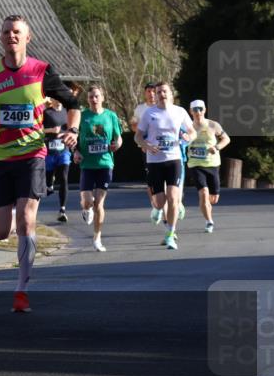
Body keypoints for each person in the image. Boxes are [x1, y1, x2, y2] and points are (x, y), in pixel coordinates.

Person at [0, 15, 80, 313]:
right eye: (6, 32)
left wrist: (72, 130)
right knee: (1, 231)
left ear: (28, 37)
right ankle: (16, 230)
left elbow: (73, 104)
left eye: (17, 32)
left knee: (27, 219)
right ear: (1, 37)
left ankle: (21, 289)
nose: (11, 36)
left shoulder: (41, 71)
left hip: (31, 155)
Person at [136, 82, 195, 250]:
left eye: (165, 91)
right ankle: (157, 209)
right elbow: (137, 137)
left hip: (173, 159)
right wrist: (147, 146)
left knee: (174, 197)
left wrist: (187, 137)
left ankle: (170, 234)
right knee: (160, 202)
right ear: (156, 94)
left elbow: (192, 132)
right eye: (159, 91)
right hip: (154, 161)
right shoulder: (149, 113)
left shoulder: (180, 111)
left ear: (171, 94)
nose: (162, 94)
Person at [73, 84, 123, 252]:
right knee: (87, 202)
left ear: (102, 97)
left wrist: (117, 145)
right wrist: (75, 152)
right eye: (90, 97)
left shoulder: (111, 116)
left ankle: (97, 238)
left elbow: (119, 137)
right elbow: (73, 138)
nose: (93, 100)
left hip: (105, 163)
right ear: (87, 100)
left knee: (99, 203)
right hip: (87, 164)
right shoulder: (82, 116)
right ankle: (86, 209)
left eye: (96, 96)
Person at [186, 99, 230, 233]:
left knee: (213, 199)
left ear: (204, 110)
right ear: (190, 111)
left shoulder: (213, 125)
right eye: (195, 109)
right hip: (195, 164)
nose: (198, 112)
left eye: (200, 109)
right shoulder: (187, 126)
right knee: (203, 193)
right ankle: (209, 221)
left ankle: (207, 208)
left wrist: (216, 147)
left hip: (212, 164)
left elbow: (226, 139)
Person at [131, 82, 164, 225]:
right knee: (150, 180)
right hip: (147, 149)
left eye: (153, 91)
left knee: (166, 181)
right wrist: (144, 143)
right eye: (148, 91)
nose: (151, 94)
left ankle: (168, 204)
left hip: (164, 149)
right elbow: (136, 128)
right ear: (145, 93)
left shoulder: (163, 107)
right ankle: (155, 206)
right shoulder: (140, 109)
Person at [42, 98, 72, 222]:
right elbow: (38, 129)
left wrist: (66, 134)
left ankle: (62, 210)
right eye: (56, 98)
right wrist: (52, 130)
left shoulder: (67, 112)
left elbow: (73, 129)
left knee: (64, 178)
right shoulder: (46, 113)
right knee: (48, 177)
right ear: (51, 99)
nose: (59, 100)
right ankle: (49, 184)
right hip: (49, 151)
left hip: (63, 151)